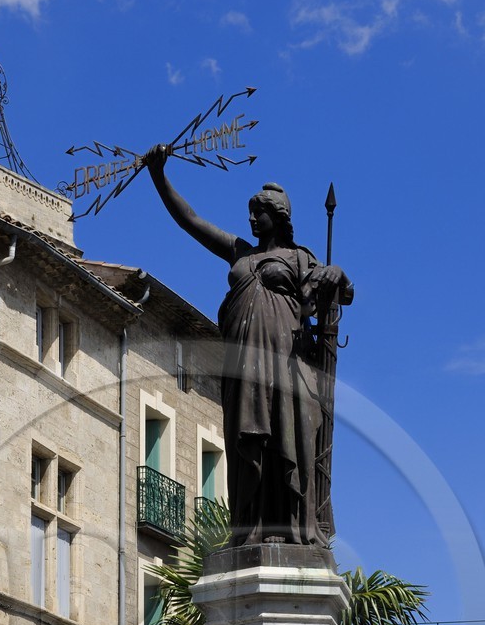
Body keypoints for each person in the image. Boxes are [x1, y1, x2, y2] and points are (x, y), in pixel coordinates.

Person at [144, 146, 353, 546]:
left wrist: (335, 272)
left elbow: (339, 291)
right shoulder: (240, 252)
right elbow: (190, 220)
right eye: (250, 212)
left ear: (278, 217)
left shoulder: (298, 258)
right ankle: (249, 528)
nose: (252, 218)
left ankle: (284, 528)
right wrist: (159, 176)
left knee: (282, 438)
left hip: (284, 362)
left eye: (259, 212)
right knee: (246, 439)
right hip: (241, 364)